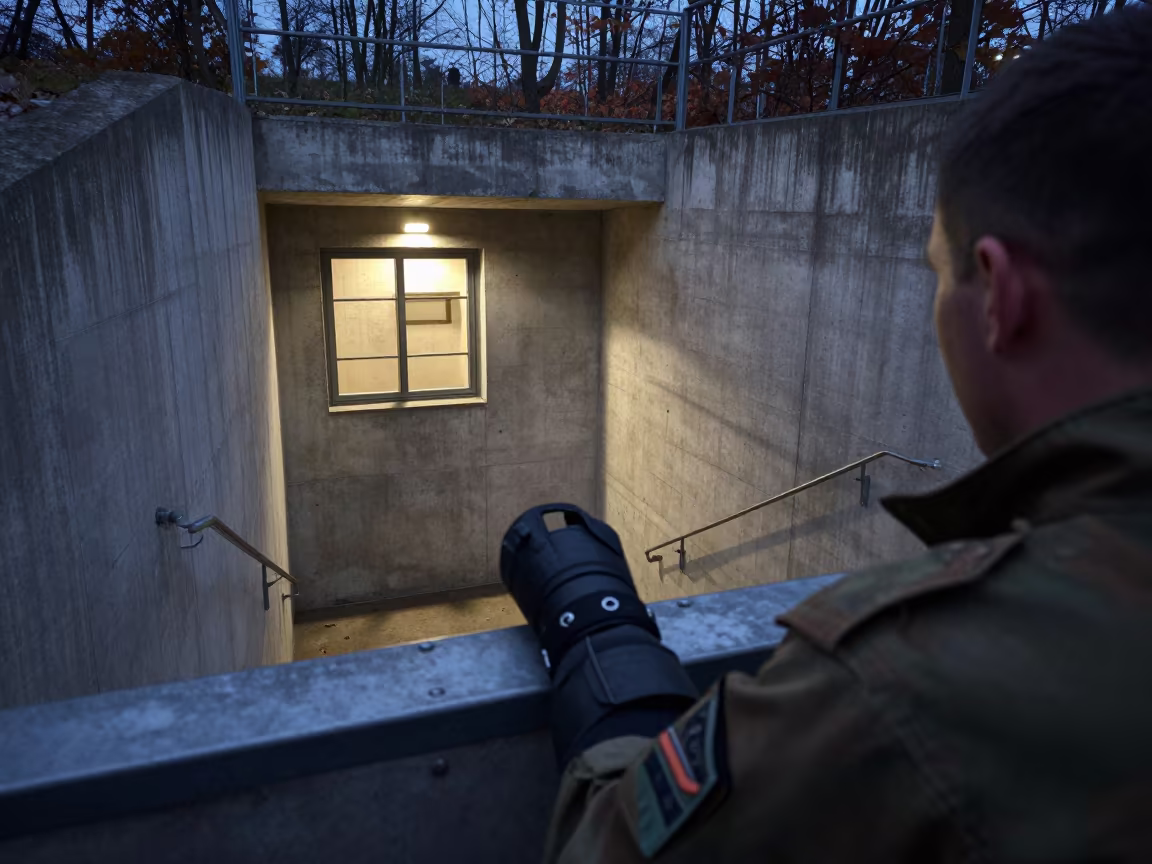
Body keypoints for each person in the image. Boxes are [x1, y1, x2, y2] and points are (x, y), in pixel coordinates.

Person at [499, 7, 1152, 862]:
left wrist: (598, 633)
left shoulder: (908, 683)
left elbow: (606, 843)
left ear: (999, 294)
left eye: (937, 269)